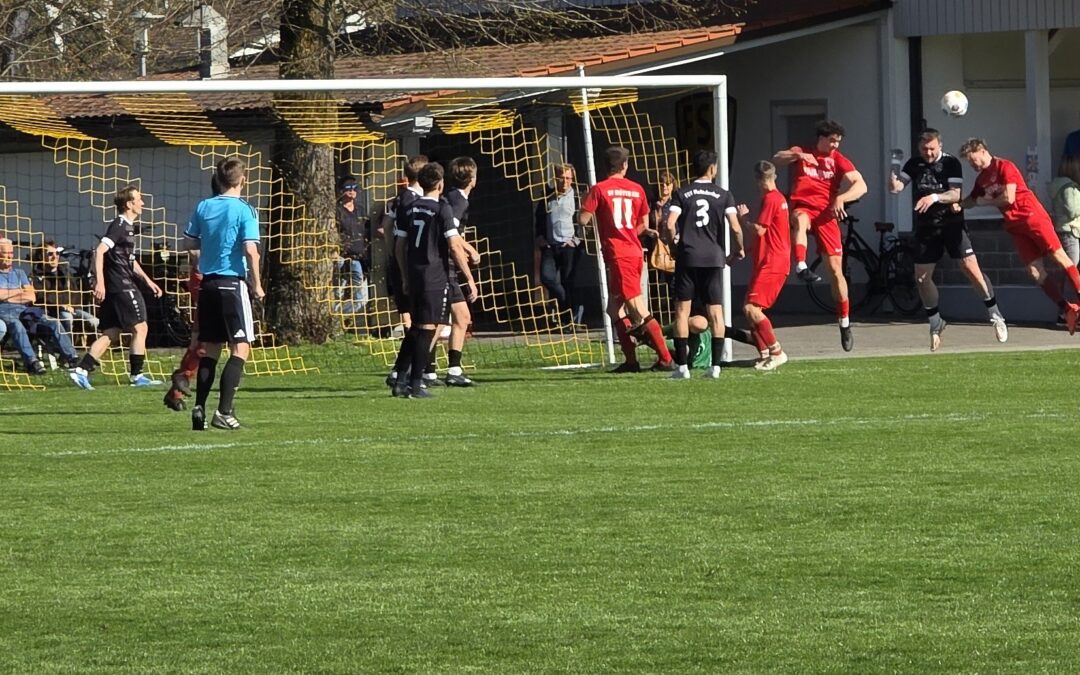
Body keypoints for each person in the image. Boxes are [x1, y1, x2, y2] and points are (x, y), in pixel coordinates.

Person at [889, 129, 1008, 351]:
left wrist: (934, 197)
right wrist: (895, 163)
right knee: (922, 279)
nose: (928, 153)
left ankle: (995, 314)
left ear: (939, 146)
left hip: (951, 224)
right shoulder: (914, 164)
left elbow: (955, 194)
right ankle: (936, 322)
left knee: (971, 270)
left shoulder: (951, 163)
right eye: (924, 149)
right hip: (926, 227)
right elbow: (895, 188)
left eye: (932, 148)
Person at [957, 138, 1080, 333]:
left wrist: (983, 202)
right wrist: (956, 204)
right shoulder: (981, 180)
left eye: (972, 160)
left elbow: (1009, 197)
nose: (972, 165)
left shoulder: (1004, 166)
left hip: (1032, 216)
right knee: (1034, 271)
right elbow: (971, 199)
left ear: (981, 150)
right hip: (1015, 226)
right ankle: (1067, 309)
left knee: (1058, 256)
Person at [181, 156, 264, 430]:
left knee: (211, 349)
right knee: (240, 348)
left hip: (208, 285)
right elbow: (251, 251)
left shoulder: (204, 206)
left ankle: (199, 408)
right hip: (232, 284)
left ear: (218, 179)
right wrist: (257, 284)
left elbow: (190, 242)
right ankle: (224, 411)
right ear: (243, 179)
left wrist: (201, 262)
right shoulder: (245, 210)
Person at [773, 119, 867, 351]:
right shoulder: (802, 151)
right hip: (804, 206)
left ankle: (844, 322)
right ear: (821, 138)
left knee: (835, 270)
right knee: (799, 220)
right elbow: (776, 159)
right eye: (832, 141)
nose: (835, 145)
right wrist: (798, 157)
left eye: (838, 141)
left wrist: (841, 198)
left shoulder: (838, 160)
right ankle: (802, 266)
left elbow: (861, 185)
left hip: (826, 214)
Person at [579, 146, 674, 372]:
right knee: (614, 309)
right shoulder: (637, 189)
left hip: (618, 254)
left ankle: (666, 359)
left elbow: (583, 219)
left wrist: (588, 216)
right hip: (633, 250)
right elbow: (642, 225)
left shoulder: (599, 189)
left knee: (638, 308)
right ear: (624, 165)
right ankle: (631, 362)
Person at [388, 162, 477, 399]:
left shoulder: (410, 207)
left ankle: (399, 379)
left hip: (414, 273)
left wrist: (405, 275)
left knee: (417, 329)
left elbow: (399, 245)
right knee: (428, 329)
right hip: (434, 276)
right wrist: (469, 277)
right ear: (440, 184)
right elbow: (455, 247)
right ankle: (416, 384)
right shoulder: (442, 209)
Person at [69, 185, 164, 390]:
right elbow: (99, 251)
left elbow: (130, 260)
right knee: (141, 327)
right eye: (139, 199)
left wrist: (148, 281)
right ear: (129, 204)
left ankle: (81, 370)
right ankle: (137, 376)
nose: (142, 203)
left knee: (111, 332)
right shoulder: (119, 225)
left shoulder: (128, 227)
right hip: (121, 286)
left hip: (118, 287)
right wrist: (100, 282)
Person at [664, 149, 744, 380]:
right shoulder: (723, 195)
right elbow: (735, 227)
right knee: (715, 311)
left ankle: (682, 368)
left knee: (682, 311)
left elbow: (670, 224)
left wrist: (674, 247)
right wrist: (738, 250)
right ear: (712, 169)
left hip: (688, 257)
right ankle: (716, 367)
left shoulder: (682, 192)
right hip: (713, 258)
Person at [163, 175, 220, 412]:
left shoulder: (219, 208)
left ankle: (178, 387)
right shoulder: (209, 210)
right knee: (211, 340)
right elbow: (190, 244)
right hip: (208, 280)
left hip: (216, 280)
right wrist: (204, 263)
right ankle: (184, 378)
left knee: (203, 339)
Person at [737, 160, 791, 371]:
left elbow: (759, 230)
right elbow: (770, 235)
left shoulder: (771, 199)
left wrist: (744, 219)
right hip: (770, 259)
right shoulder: (778, 198)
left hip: (773, 262)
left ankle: (777, 353)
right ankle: (766, 354)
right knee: (748, 309)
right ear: (774, 176)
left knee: (752, 308)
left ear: (758, 180)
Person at [0, 237, 80, 373]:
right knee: (16, 325)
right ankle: (32, 362)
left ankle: (72, 358)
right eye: (5, 253)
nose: (9, 256)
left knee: (53, 323)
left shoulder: (20, 273)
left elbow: (31, 296)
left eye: (11, 253)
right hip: (5, 312)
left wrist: (8, 296)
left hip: (26, 311)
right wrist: (20, 292)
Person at [381, 155, 428, 387]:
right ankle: (409, 370)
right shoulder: (416, 201)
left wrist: (391, 254)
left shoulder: (397, 199)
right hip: (412, 265)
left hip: (397, 263)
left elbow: (387, 227)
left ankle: (409, 370)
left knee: (415, 319)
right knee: (422, 321)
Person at [440, 156, 483, 387]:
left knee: (461, 317)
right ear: (472, 178)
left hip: (446, 265)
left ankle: (452, 371)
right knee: (435, 324)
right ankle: (416, 369)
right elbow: (452, 236)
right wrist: (471, 251)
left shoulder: (454, 197)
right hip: (444, 266)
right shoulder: (458, 201)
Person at [535, 163, 583, 323]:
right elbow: (539, 218)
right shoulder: (547, 196)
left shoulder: (577, 197)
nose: (565, 182)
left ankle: (570, 316)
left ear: (572, 179)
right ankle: (566, 307)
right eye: (561, 178)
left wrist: (576, 240)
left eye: (568, 178)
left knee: (568, 280)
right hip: (550, 245)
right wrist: (540, 236)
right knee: (546, 277)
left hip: (570, 246)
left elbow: (586, 222)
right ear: (556, 178)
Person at [31, 238, 99, 336]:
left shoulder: (65, 273)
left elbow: (75, 294)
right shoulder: (37, 276)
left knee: (94, 321)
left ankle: (87, 345)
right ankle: (66, 348)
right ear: (41, 257)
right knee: (67, 317)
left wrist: (70, 306)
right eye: (50, 254)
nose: (55, 257)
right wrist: (61, 305)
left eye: (57, 253)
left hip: (72, 308)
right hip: (50, 311)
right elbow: (41, 297)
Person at [335, 174, 368, 320]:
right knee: (338, 294)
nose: (352, 191)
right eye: (348, 188)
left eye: (355, 188)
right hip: (342, 258)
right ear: (341, 191)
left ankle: (336, 318)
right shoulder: (336, 211)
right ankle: (335, 321)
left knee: (360, 299)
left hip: (359, 259)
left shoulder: (360, 210)